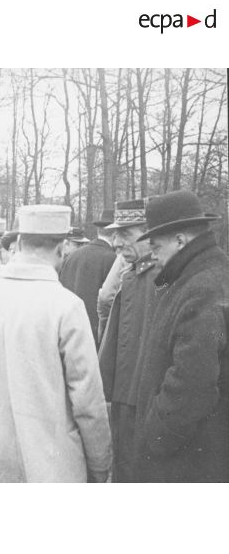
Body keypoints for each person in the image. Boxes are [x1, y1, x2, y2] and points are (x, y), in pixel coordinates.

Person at [0, 204, 112, 482]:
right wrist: (100, 462)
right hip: (49, 461)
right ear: (62, 249)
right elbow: (87, 401)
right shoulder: (66, 306)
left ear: (18, 244)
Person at [132, 190, 229, 482]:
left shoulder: (202, 288)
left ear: (179, 240)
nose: (152, 255)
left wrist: (156, 435)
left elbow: (193, 381)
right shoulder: (202, 277)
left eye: (155, 246)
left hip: (188, 459)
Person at [97, 199, 158, 482]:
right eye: (115, 235)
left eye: (125, 234)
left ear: (150, 233)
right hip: (123, 400)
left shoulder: (161, 278)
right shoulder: (133, 273)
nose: (116, 243)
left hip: (143, 403)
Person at [60, 209, 116, 343]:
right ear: (115, 234)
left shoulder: (73, 255)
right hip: (96, 337)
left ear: (98, 231)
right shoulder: (111, 258)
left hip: (69, 331)